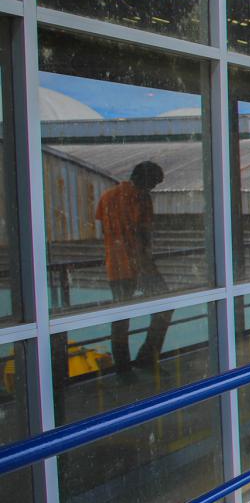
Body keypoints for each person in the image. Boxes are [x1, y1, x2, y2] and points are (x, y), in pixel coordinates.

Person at [95, 161, 173, 375]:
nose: (153, 188)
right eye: (154, 184)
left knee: (120, 319)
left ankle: (123, 369)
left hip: (115, 267)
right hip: (140, 265)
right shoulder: (142, 198)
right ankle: (147, 356)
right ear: (147, 182)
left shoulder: (107, 197)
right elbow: (143, 234)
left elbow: (104, 231)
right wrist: (146, 265)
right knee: (166, 304)